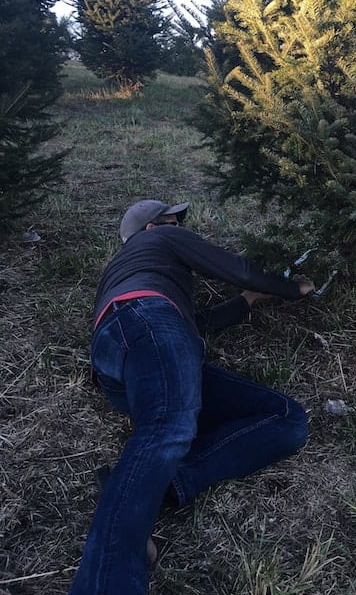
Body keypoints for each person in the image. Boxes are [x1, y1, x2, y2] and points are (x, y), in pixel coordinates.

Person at [68, 198, 315, 595]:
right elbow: (235, 269)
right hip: (147, 324)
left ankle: (147, 487)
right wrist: (290, 289)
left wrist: (247, 303)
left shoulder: (132, 271)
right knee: (167, 427)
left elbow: (191, 326)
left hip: (127, 359)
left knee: (287, 419)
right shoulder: (160, 242)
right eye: (173, 221)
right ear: (154, 228)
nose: (180, 226)